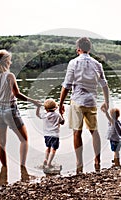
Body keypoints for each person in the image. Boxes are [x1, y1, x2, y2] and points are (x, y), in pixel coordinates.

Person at [0, 49, 40, 186]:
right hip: (10, 110)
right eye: (9, 60)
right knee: (24, 139)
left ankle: (4, 170)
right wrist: (34, 102)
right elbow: (17, 94)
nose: (11, 62)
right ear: (6, 62)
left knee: (1, 143)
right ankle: (22, 168)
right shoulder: (9, 76)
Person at [59, 37, 110, 173]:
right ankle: (97, 160)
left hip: (77, 102)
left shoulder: (73, 63)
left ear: (78, 50)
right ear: (89, 49)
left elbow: (66, 86)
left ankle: (79, 162)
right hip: (91, 102)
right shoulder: (97, 64)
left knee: (77, 132)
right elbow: (104, 85)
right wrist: (106, 102)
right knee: (94, 131)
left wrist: (60, 104)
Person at [36, 99, 65, 169]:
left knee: (48, 148)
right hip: (55, 135)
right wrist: (62, 114)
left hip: (46, 135)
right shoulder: (57, 115)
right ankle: (49, 163)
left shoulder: (44, 115)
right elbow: (62, 122)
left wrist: (38, 107)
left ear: (46, 109)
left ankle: (45, 159)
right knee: (53, 149)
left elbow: (37, 115)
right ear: (55, 108)